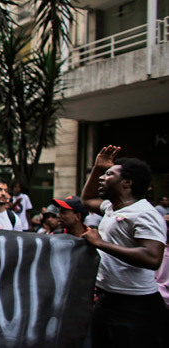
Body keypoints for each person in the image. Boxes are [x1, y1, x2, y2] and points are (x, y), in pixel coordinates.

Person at [80, 146, 167, 348]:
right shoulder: (111, 208)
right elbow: (87, 200)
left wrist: (100, 243)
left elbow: (152, 257)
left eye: (108, 174)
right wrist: (97, 168)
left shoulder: (144, 213)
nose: (102, 178)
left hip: (135, 306)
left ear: (127, 182)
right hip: (107, 300)